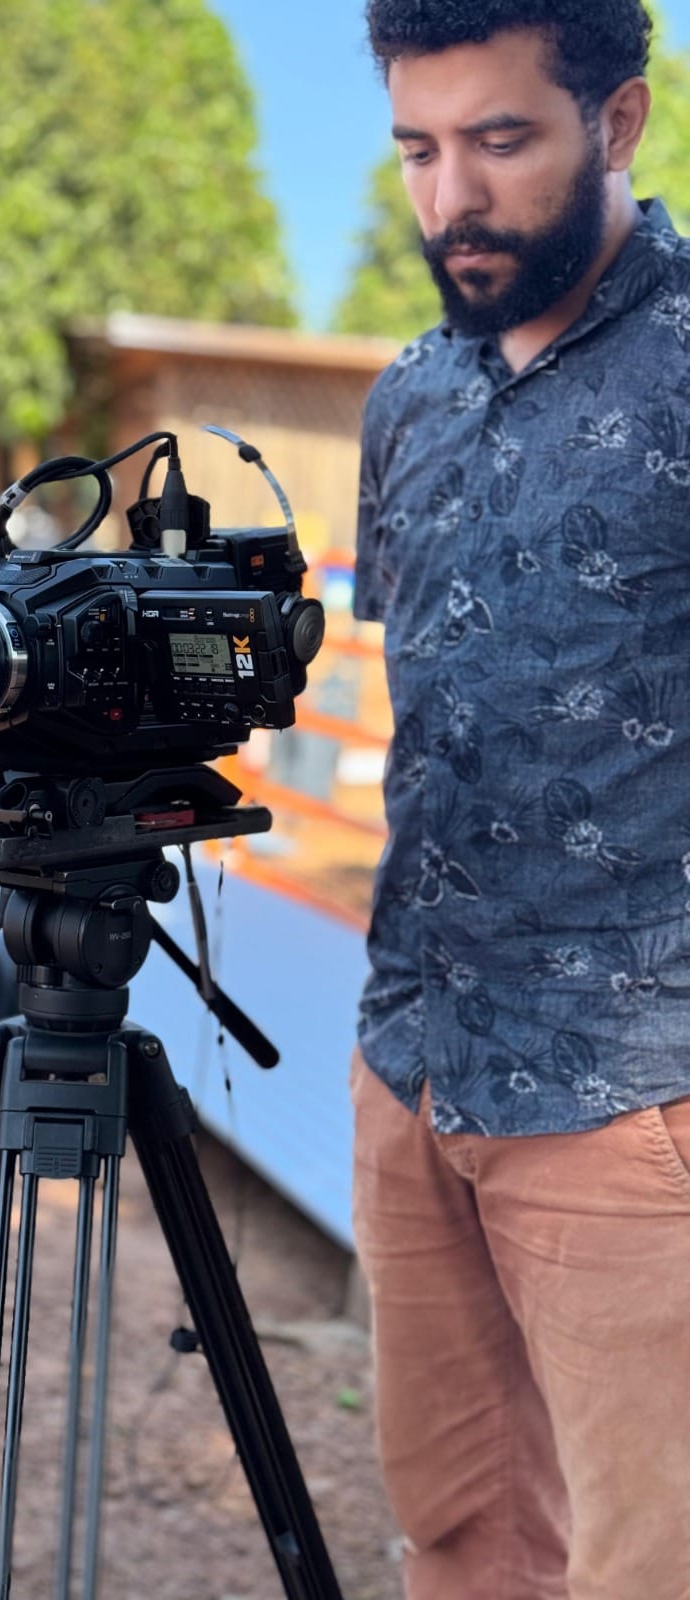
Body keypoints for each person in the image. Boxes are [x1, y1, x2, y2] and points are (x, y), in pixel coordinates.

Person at [348, 3, 690, 1596]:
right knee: (462, 1537)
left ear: (616, 123)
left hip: (637, 1092)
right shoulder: (406, 396)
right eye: (419, 149)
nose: (453, 199)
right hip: (414, 1053)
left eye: (501, 141)